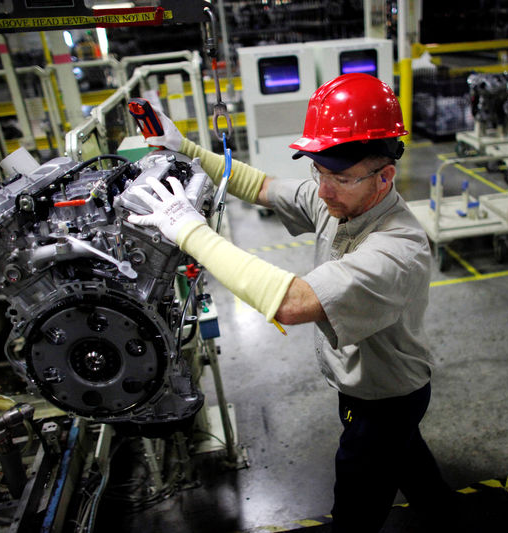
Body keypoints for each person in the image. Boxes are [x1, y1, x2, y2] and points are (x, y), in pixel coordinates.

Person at [126, 73, 458, 532]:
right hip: (375, 384)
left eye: (339, 176)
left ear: (385, 177)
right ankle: (442, 511)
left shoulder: (397, 250)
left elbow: (291, 302)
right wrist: (186, 149)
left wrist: (188, 231)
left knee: (358, 500)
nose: (323, 190)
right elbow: (261, 186)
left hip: (384, 397)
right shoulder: (340, 198)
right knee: (408, 459)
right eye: (318, 172)